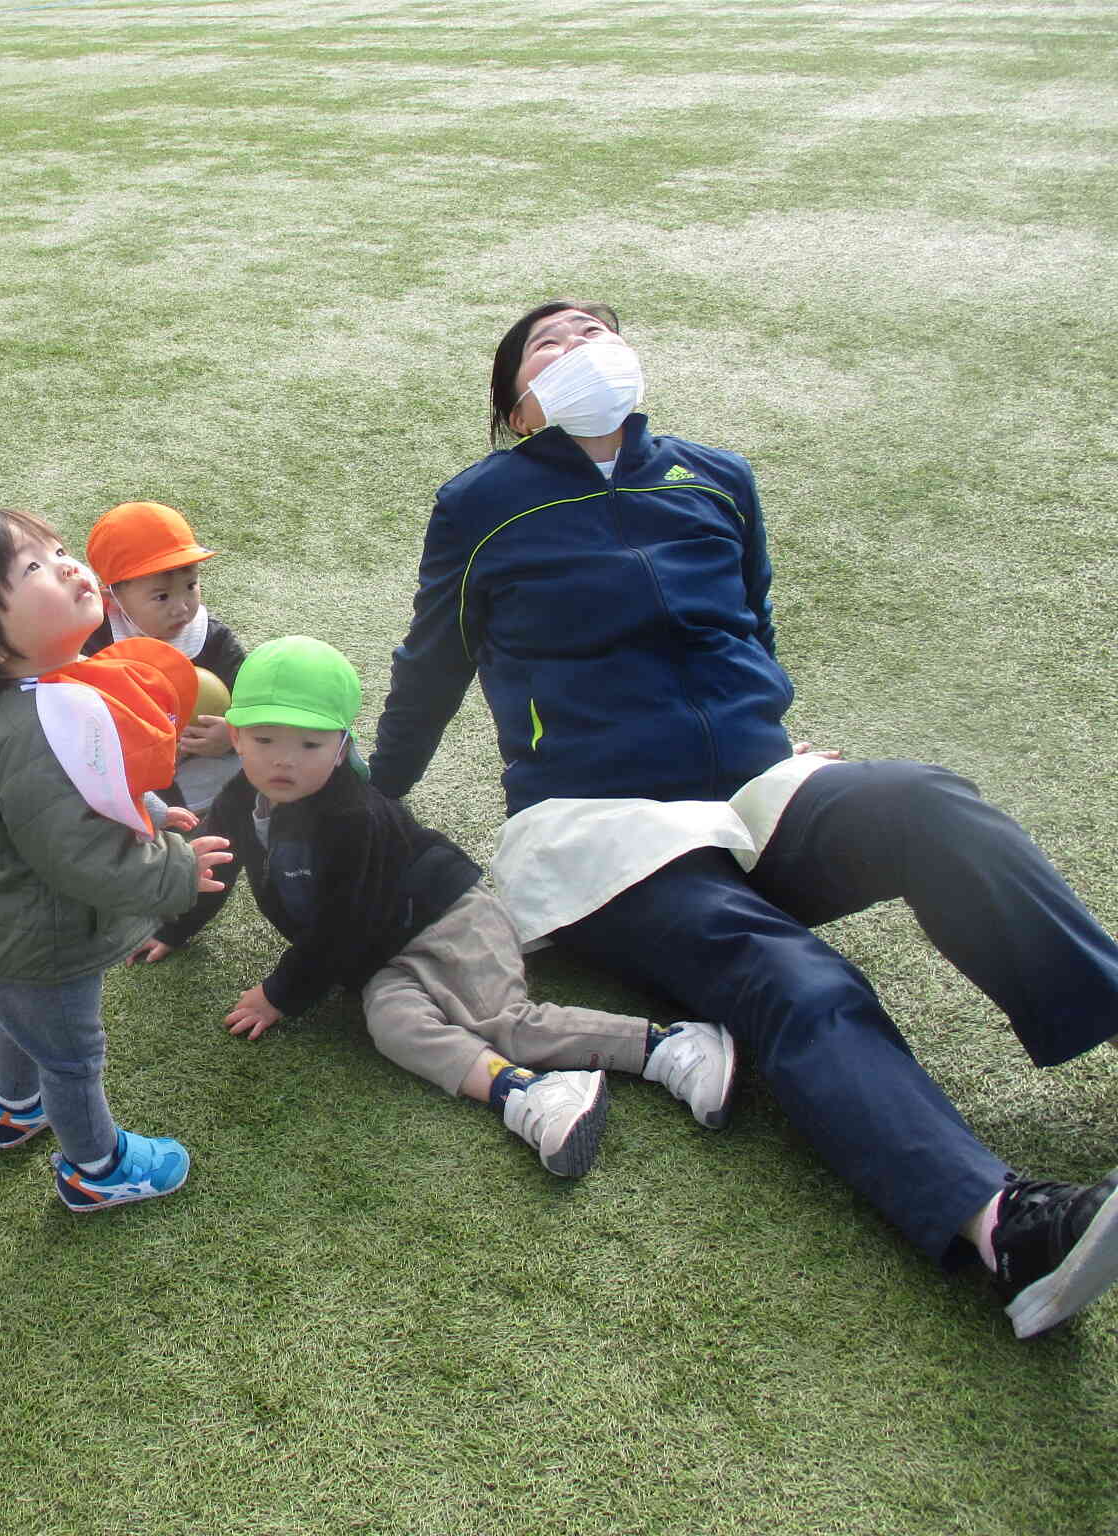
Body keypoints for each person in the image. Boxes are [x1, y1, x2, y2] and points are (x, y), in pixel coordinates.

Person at [368, 299, 1118, 1335]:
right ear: (514, 404)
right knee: (791, 975)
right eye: (549, 342)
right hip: (598, 825)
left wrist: (777, 740)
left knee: (931, 804)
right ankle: (1004, 1228)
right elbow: (427, 669)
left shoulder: (714, 476)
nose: (581, 346)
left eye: (595, 330)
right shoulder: (478, 505)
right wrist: (365, 805)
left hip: (757, 793)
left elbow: (747, 625)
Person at [131, 636, 735, 1177]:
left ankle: (669, 1046)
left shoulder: (351, 817)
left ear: (342, 748)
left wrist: (281, 994)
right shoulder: (243, 797)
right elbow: (217, 860)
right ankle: (526, 1095)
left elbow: (343, 923)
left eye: (309, 743)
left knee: (499, 1020)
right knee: (393, 1027)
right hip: (376, 955)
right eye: (264, 740)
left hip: (446, 917)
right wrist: (178, 926)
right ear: (234, 738)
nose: (283, 760)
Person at [0, 509, 233, 1211]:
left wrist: (146, 810)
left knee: (23, 1023)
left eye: (56, 550)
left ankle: (14, 1108)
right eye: (34, 567)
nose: (68, 564)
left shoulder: (49, 693)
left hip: (15, 938)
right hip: (44, 941)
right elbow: (76, 855)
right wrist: (171, 868)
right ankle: (95, 1168)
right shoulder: (33, 731)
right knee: (73, 1057)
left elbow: (91, 791)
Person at [79, 500, 245, 808]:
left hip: (197, 764)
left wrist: (233, 735)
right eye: (162, 596)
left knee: (249, 767)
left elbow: (254, 700)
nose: (182, 606)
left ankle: (158, 810)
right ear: (112, 595)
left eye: (191, 585)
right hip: (119, 764)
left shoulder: (212, 638)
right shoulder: (96, 642)